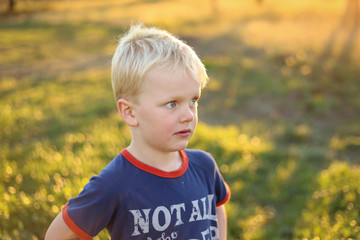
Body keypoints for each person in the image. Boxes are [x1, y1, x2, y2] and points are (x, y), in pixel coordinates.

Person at [45, 23, 230, 240]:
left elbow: (217, 207)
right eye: (172, 104)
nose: (188, 115)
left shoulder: (204, 166)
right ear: (130, 112)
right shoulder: (115, 183)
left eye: (193, 101)